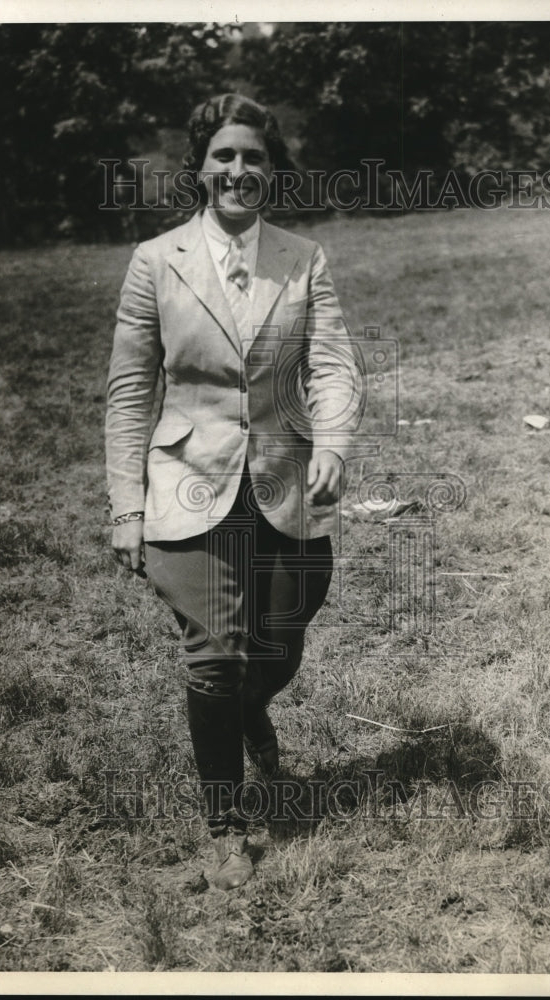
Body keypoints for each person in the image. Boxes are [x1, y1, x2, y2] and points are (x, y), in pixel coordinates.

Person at [105, 93, 362, 890]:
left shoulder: (303, 257)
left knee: (283, 632)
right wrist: (126, 506)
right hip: (188, 480)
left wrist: (333, 443)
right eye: (223, 156)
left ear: (269, 169)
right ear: (201, 168)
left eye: (252, 156)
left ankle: (256, 705)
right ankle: (225, 820)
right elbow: (126, 393)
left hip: (285, 477)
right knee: (213, 655)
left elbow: (331, 365)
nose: (238, 170)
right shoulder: (156, 260)